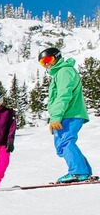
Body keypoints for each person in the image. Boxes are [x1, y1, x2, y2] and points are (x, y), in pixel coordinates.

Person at [38, 47, 93, 182]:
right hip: (67, 114)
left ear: (57, 57)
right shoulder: (61, 73)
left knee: (65, 143)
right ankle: (83, 171)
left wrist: (56, 117)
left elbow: (64, 95)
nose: (46, 64)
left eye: (48, 59)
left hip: (69, 114)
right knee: (63, 145)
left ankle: (78, 172)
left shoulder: (64, 71)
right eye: (42, 62)